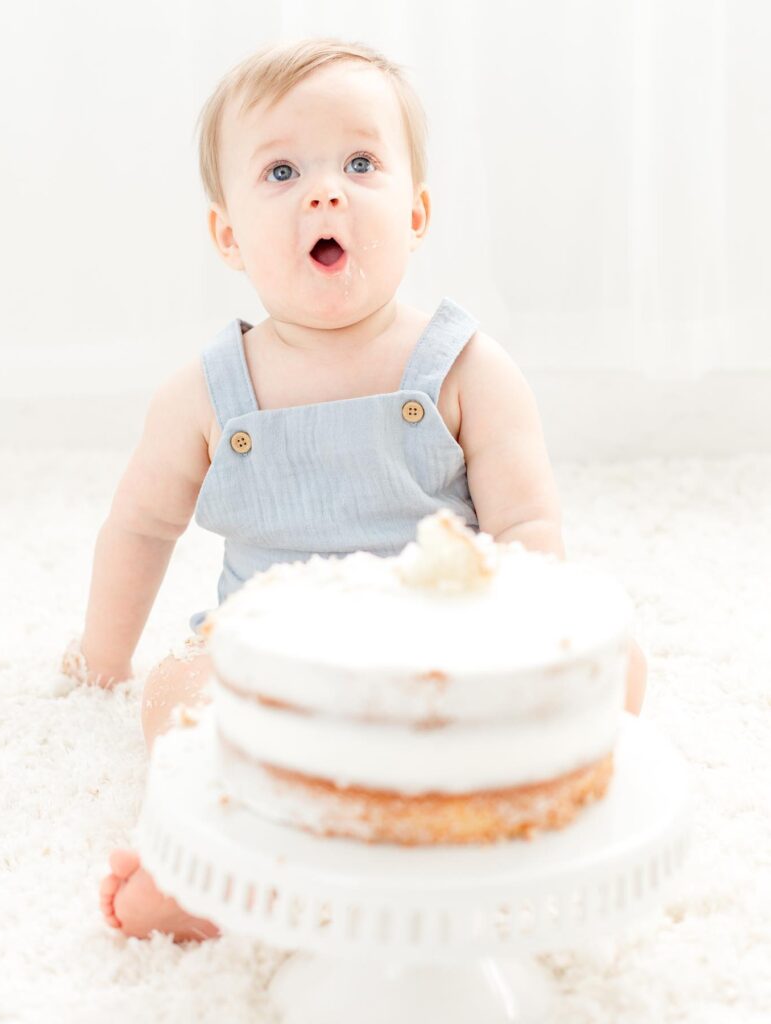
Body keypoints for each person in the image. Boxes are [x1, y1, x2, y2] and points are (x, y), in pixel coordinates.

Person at [61, 36, 648, 943]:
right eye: (282, 169)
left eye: (360, 162)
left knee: (621, 668)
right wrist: (102, 656)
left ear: (415, 213)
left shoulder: (465, 368)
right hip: (266, 648)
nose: (324, 190)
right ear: (227, 235)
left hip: (442, 633)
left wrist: (530, 645)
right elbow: (139, 527)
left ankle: (496, 817)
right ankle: (223, 864)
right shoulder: (206, 394)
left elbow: (527, 521)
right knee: (177, 696)